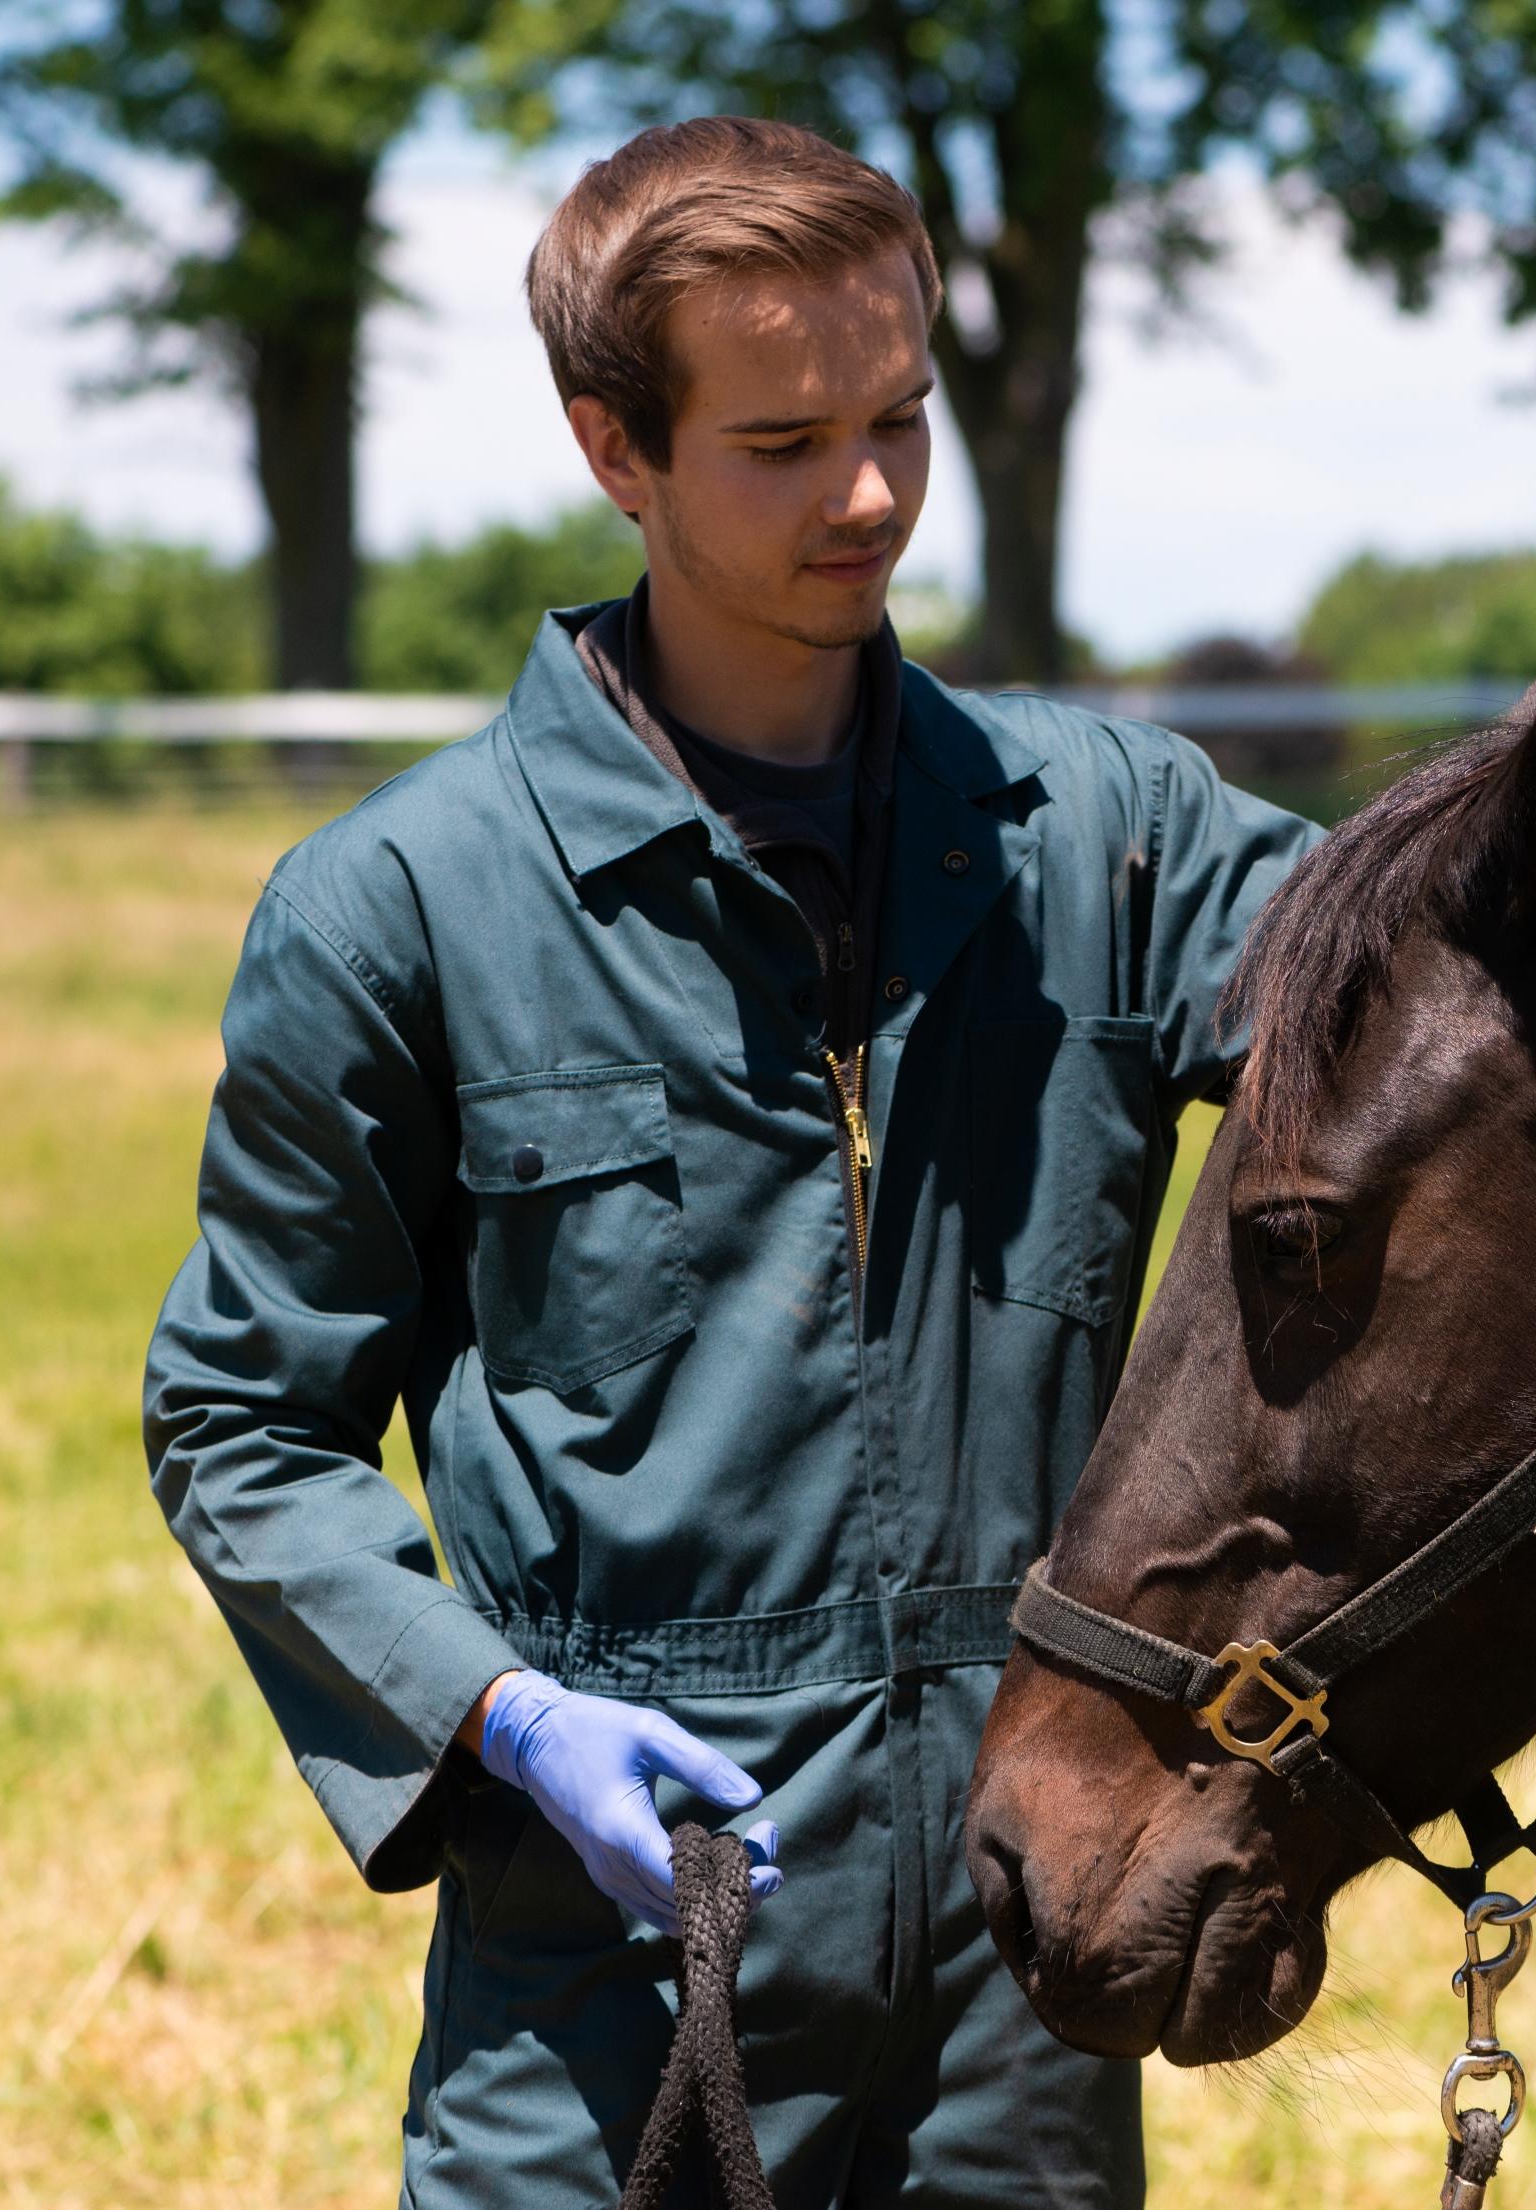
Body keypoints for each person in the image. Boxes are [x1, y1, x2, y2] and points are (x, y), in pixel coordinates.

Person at [142, 116, 1318, 2206]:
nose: (868, 496)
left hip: (1024, 1948)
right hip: (611, 1972)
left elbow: (1440, 996)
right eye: (782, 442)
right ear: (616, 446)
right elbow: (242, 1422)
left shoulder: (1113, 838)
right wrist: (505, 1717)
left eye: (901, 418)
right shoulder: (396, 906)